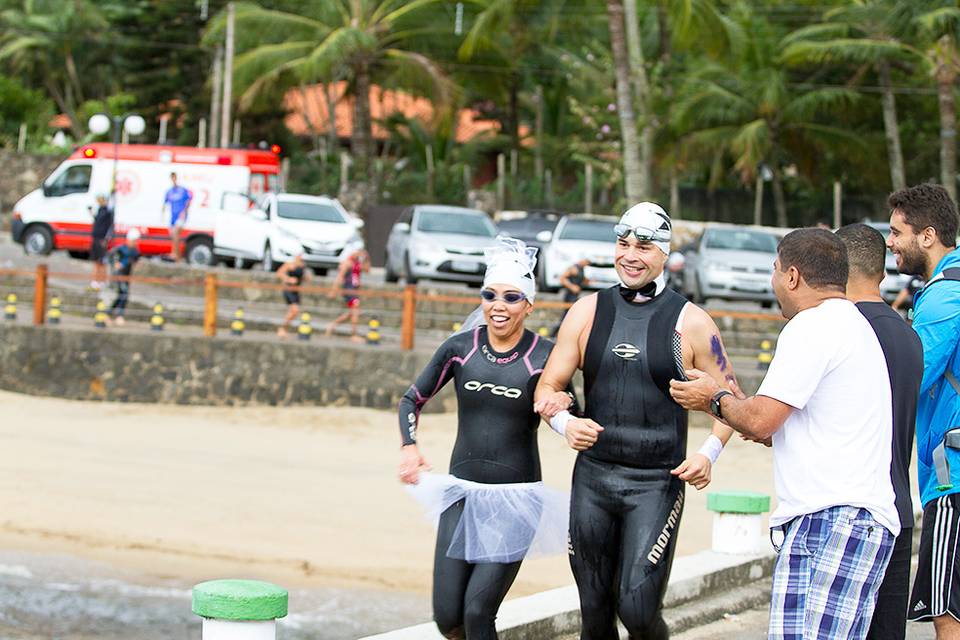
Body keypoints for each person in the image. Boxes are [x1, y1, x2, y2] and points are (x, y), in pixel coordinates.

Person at [670, 228, 900, 640]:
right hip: (839, 517)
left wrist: (713, 397)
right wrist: (737, 404)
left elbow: (760, 421)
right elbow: (780, 426)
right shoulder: (848, 323)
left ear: (792, 277)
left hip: (836, 518)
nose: (772, 281)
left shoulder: (812, 326)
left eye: (775, 270)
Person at [534, 202, 737, 640]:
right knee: (594, 613)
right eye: (623, 244)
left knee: (638, 609)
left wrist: (708, 453)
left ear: (664, 254)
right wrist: (565, 424)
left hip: (656, 483)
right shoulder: (587, 312)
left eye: (643, 246)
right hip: (593, 478)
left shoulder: (692, 323)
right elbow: (547, 389)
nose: (630, 254)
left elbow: (732, 402)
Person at [397, 238, 570, 640]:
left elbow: (567, 413)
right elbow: (412, 399)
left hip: (515, 498)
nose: (499, 306)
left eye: (512, 297)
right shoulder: (460, 349)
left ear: (529, 304)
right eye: (490, 295)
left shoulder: (545, 356)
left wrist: (561, 406)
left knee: (478, 613)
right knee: (447, 617)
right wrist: (409, 447)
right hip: (459, 494)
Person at [836, 223, 923, 640]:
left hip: (849, 513)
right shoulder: (908, 335)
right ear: (881, 272)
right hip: (897, 508)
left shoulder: (835, 331)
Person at [885, 183, 960, 638]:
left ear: (927, 236)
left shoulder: (946, 295)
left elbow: (913, 373)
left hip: (952, 473)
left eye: (897, 232)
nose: (890, 242)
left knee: (946, 609)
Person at [326, 247, 370, 343]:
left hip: (354, 290)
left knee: (352, 312)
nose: (358, 254)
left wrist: (367, 258)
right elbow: (339, 277)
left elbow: (367, 270)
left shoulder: (357, 263)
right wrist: (333, 291)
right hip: (348, 289)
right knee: (355, 310)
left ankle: (332, 325)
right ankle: (354, 335)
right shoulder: (347, 263)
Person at [108, 228, 141, 326]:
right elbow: (113, 260)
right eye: (134, 241)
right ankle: (117, 315)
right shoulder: (121, 249)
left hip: (127, 276)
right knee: (123, 294)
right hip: (119, 275)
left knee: (122, 295)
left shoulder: (135, 252)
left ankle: (111, 314)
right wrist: (117, 265)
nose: (135, 243)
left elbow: (136, 263)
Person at [550, 258, 590, 337]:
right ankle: (553, 333)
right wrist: (572, 286)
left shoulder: (582, 269)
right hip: (569, 295)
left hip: (575, 295)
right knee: (566, 315)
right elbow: (562, 278)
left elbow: (581, 279)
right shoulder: (573, 268)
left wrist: (586, 281)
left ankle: (565, 333)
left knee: (572, 315)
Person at [276, 253, 307, 339]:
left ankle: (283, 329)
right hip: (288, 289)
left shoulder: (302, 266)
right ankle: (282, 329)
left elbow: (302, 277)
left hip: (296, 291)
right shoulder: (289, 264)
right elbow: (279, 273)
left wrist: (306, 277)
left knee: (293, 312)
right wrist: (288, 279)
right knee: (294, 310)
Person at [162, 172, 192, 262]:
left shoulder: (182, 190)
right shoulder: (169, 191)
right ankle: (177, 256)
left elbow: (188, 200)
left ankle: (174, 254)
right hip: (173, 217)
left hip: (181, 216)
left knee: (175, 233)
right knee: (174, 236)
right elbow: (165, 203)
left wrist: (184, 211)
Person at [89, 193, 113, 290]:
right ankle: (95, 281)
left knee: (102, 262)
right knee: (96, 261)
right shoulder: (100, 210)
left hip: (101, 240)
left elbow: (109, 227)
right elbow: (98, 222)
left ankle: (102, 281)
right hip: (95, 238)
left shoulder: (108, 212)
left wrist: (106, 240)